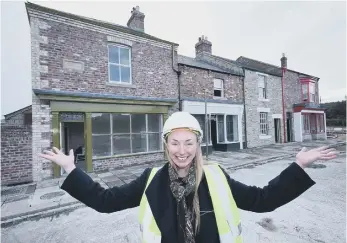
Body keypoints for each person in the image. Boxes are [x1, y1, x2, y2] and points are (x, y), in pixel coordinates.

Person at [39, 111, 338, 243]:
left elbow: (262, 200)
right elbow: (105, 201)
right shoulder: (150, 179)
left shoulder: (217, 177)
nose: (182, 151)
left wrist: (298, 166)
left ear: (198, 145)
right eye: (175, 142)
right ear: (166, 144)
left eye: (189, 143)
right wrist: (71, 170)